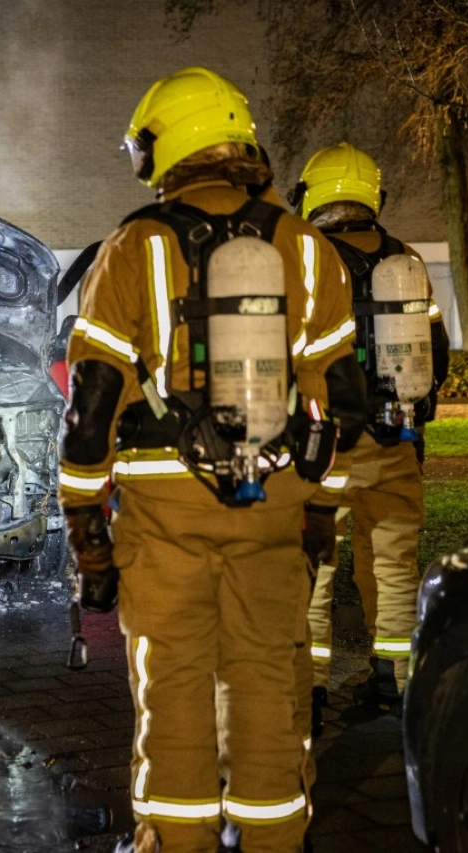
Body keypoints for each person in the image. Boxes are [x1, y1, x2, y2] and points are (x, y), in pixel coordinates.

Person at [58, 67, 366, 853]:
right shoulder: (305, 248)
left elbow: (90, 410)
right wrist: (320, 512)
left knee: (173, 697)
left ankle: (174, 840)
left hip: (162, 530)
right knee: (268, 688)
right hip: (272, 516)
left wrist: (88, 535)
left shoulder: (132, 250)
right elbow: (343, 399)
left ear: (170, 145)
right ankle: (271, 838)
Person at [292, 142, 450, 725]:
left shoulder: (305, 260)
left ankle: (306, 690)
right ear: (372, 197)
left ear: (315, 195)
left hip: (323, 448)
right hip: (396, 442)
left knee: (313, 571)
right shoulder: (404, 257)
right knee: (393, 567)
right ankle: (396, 683)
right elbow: (435, 353)